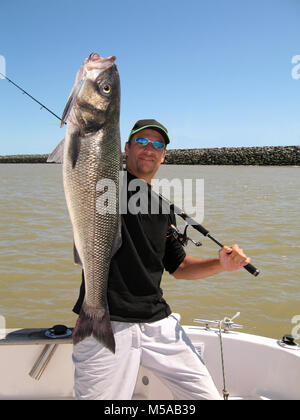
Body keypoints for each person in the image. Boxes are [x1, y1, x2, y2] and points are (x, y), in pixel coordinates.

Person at [72, 119, 251, 400]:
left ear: (164, 155)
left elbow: (179, 267)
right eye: (142, 141)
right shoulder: (105, 187)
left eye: (158, 144)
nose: (149, 149)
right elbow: (84, 161)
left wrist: (222, 265)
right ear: (126, 148)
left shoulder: (164, 208)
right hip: (107, 319)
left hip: (159, 322)